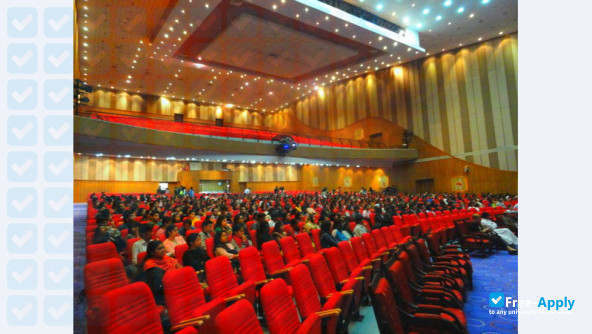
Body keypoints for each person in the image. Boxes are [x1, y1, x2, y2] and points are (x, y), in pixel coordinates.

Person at [143, 240, 182, 305]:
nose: (163, 250)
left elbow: (181, 269)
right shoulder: (149, 264)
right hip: (165, 291)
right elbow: (158, 284)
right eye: (159, 249)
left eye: (163, 248)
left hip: (177, 283)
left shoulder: (167, 258)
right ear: (152, 252)